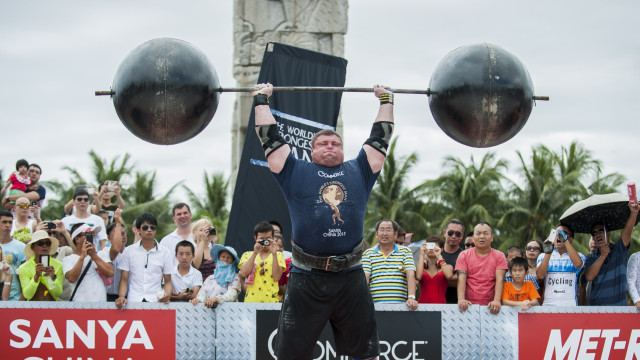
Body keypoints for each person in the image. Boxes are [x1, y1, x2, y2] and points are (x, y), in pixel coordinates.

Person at [253, 83, 394, 359]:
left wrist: (386, 99)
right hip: (307, 278)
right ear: (311, 149)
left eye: (336, 143)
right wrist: (261, 99)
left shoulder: (360, 169)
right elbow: (269, 138)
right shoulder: (293, 169)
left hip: (351, 276)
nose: (330, 147)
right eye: (323, 143)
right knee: (291, 355)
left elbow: (381, 138)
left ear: (342, 149)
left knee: (366, 354)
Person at [583, 202, 638, 306]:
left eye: (600, 230)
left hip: (619, 311)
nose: (597, 234)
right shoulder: (590, 257)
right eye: (594, 233)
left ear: (608, 233)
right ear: (593, 238)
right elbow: (589, 277)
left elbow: (627, 233)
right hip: (597, 312)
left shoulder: (619, 250)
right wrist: (602, 256)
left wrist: (633, 214)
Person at [115, 213, 173, 309]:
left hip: (156, 302)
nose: (149, 230)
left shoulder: (165, 252)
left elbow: (168, 281)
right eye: (145, 227)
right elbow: (124, 279)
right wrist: (121, 297)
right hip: (133, 301)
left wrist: (167, 294)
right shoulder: (129, 251)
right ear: (138, 230)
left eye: (152, 227)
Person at [362, 219, 418, 309]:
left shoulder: (405, 251)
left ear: (395, 235)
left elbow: (410, 274)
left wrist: (411, 297)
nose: (385, 233)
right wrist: (362, 300)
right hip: (375, 307)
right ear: (377, 234)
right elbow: (365, 278)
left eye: (388, 230)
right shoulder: (368, 253)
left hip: (401, 307)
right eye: (381, 230)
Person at [456, 222, 508, 314]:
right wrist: (461, 299)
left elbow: (500, 279)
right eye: (478, 233)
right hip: (468, 306)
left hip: (491, 306)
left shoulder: (499, 256)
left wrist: (496, 300)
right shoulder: (463, 255)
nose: (482, 236)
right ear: (473, 237)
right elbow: (461, 279)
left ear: (491, 237)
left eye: (485, 233)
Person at [62, 223, 114, 302]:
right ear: (77, 239)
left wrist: (93, 255)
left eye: (92, 234)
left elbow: (110, 272)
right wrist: (82, 257)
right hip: (79, 307)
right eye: (88, 234)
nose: (92, 237)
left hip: (100, 307)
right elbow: (71, 278)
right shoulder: (68, 259)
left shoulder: (101, 254)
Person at [536, 224, 585, 306]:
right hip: (548, 306)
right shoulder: (543, 256)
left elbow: (578, 264)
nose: (559, 236)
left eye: (563, 233)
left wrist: (565, 241)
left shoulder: (579, 255)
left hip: (570, 306)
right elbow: (540, 275)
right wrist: (548, 253)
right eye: (556, 234)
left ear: (570, 239)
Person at [238, 221, 285, 303]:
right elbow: (243, 273)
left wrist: (274, 254)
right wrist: (255, 253)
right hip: (251, 302)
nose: (265, 241)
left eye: (268, 238)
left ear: (273, 238)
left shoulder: (278, 255)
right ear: (255, 238)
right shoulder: (247, 255)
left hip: (271, 302)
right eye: (262, 239)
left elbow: (277, 277)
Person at [18, 230, 64, 301]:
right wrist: (36, 277)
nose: (44, 246)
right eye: (40, 243)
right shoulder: (23, 268)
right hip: (32, 308)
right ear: (33, 247)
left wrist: (51, 278)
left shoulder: (58, 265)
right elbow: (27, 295)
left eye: (48, 243)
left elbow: (58, 293)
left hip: (52, 307)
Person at [416, 235, 453, 304]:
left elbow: (449, 275)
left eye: (434, 246)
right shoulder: (421, 266)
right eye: (429, 246)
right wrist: (421, 254)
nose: (431, 249)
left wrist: (439, 255)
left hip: (441, 306)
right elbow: (418, 276)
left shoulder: (446, 266)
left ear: (441, 249)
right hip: (422, 306)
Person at [0, 210, 26, 300]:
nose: (8, 225)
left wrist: (21, 300)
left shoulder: (21, 247)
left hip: (14, 297)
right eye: (4, 222)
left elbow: (24, 276)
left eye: (10, 222)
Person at [441, 219, 465, 304]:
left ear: (462, 236)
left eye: (458, 234)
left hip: (458, 303)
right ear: (444, 233)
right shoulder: (436, 253)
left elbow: (466, 280)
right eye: (450, 233)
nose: (454, 236)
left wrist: (440, 277)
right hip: (436, 302)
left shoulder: (465, 255)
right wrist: (454, 277)